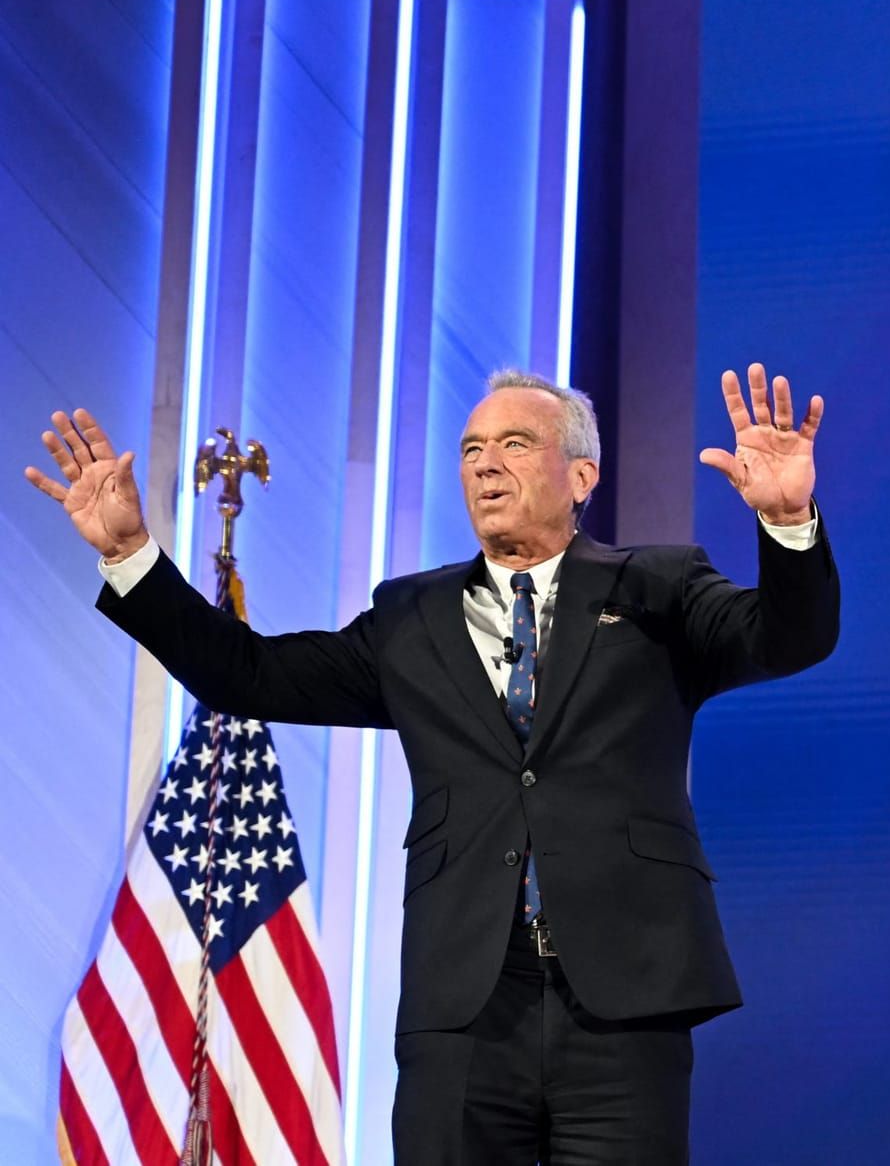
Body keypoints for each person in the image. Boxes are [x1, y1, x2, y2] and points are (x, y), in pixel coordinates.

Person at [25, 365, 840, 1164]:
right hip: (465, 1005)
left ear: (581, 473)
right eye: (470, 447)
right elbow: (249, 675)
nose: (485, 462)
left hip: (626, 1000)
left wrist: (790, 522)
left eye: (516, 443)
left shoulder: (660, 587)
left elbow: (787, 638)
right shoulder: (411, 615)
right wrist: (132, 554)